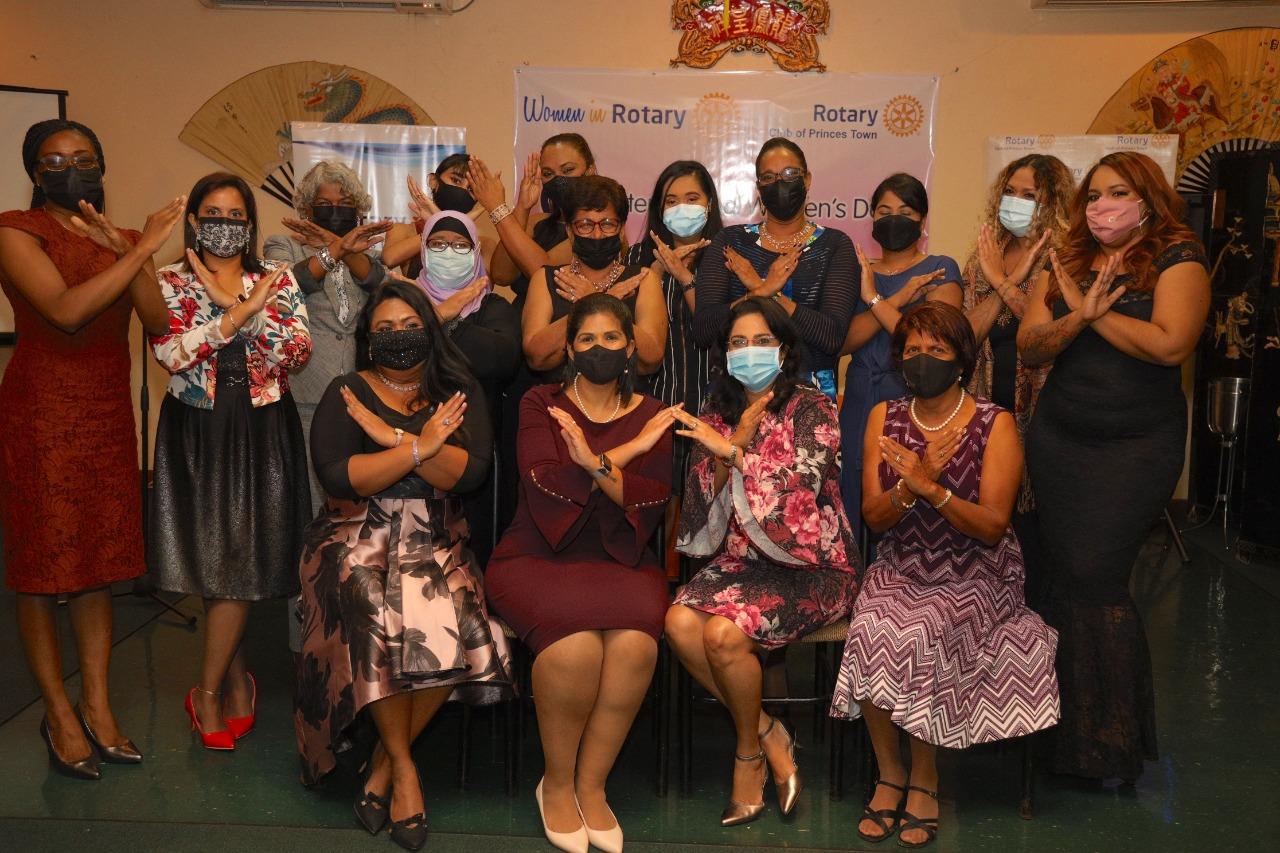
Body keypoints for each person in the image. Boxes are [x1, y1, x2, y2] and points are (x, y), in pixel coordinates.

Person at [831, 302, 1060, 848]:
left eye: (936, 349)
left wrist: (932, 488)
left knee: (924, 630)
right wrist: (908, 488)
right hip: (903, 562)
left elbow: (993, 526)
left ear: (961, 360)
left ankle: (925, 780)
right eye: (912, 349)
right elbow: (874, 517)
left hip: (977, 570)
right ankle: (890, 774)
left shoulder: (994, 423)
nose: (922, 359)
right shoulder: (884, 417)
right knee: (871, 627)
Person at [294, 280, 511, 852]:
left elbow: (470, 474)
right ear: (368, 338)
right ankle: (405, 769)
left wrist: (389, 440)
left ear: (431, 332)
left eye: (411, 327)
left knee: (462, 616)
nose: (399, 337)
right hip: (353, 532)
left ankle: (386, 766)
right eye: (385, 329)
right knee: (369, 602)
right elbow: (342, 477)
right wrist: (420, 447)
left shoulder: (458, 391)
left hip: (436, 534)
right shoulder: (347, 391)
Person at [0, 119, 184, 779]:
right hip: (41, 413)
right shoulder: (16, 230)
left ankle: (98, 705)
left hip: (106, 414)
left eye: (82, 157)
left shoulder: (122, 239)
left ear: (102, 165)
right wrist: (139, 251)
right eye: (52, 160)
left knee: (96, 563)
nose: (69, 168)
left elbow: (158, 321)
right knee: (42, 566)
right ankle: (57, 710)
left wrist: (126, 248)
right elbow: (66, 310)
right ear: (34, 171)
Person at [1019, 151, 1210, 783]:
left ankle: (1108, 741)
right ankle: (1052, 732)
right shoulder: (1068, 260)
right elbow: (1031, 345)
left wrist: (1095, 318)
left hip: (1135, 447)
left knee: (1096, 575)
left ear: (1148, 198)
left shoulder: (1178, 257)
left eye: (1118, 192)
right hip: (1060, 441)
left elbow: (1171, 344)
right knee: (1060, 574)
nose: (1103, 206)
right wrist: (1079, 313)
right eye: (1095, 195)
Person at [485, 294, 677, 853]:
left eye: (611, 338)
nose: (599, 349)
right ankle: (557, 784)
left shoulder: (654, 413)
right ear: (569, 350)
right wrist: (623, 456)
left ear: (630, 347)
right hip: (536, 554)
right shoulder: (540, 403)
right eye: (586, 339)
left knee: (635, 646)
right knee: (574, 651)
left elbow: (649, 497)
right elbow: (545, 482)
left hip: (621, 560)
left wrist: (594, 464)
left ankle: (592, 786)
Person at [666, 297, 859, 827]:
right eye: (737, 343)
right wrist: (725, 446)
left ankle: (747, 757)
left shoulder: (814, 408)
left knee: (722, 637)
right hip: (742, 565)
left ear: (784, 348)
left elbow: (800, 494)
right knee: (679, 623)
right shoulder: (716, 413)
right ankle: (770, 733)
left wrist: (734, 452)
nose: (748, 351)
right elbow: (700, 505)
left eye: (760, 341)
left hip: (815, 567)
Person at [149, 172, 313, 751]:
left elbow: (297, 351)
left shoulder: (276, 278)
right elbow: (171, 353)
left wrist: (247, 306)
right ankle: (223, 685)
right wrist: (233, 314)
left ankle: (212, 688)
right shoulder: (168, 280)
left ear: (249, 223)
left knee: (241, 555)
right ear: (194, 221)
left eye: (236, 216)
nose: (225, 225)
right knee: (217, 555)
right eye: (213, 214)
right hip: (198, 426)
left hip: (264, 423)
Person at [960, 154, 1074, 609]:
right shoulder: (985, 255)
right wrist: (995, 278)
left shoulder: (1066, 258)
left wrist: (1004, 283)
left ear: (1054, 202)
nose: (1016, 202)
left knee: (1035, 536)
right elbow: (962, 338)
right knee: (988, 525)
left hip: (1046, 414)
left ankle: (1036, 625)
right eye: (1010, 192)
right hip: (987, 410)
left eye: (1030, 195)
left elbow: (1052, 334)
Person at [840, 173, 963, 536]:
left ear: (922, 220)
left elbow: (930, 342)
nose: (894, 219)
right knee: (854, 498)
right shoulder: (860, 271)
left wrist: (873, 300)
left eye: (905, 212)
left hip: (915, 399)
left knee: (907, 494)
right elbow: (843, 343)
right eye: (884, 211)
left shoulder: (939, 268)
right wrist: (895, 299)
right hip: (860, 397)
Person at [693, 137, 857, 403]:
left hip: (810, 398)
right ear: (758, 187)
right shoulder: (730, 242)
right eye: (768, 177)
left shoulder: (835, 245)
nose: (780, 183)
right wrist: (760, 291)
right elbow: (703, 330)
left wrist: (766, 291)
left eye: (790, 173)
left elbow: (832, 337)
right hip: (735, 394)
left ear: (807, 180)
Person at [414, 209, 522, 564]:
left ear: (476, 252)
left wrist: (444, 322)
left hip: (476, 447)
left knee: (474, 552)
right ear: (423, 249)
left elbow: (501, 358)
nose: (449, 253)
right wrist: (438, 315)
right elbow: (385, 351)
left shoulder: (492, 305)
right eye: (438, 244)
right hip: (409, 442)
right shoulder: (402, 301)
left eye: (461, 245)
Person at [519, 175, 667, 382]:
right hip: (560, 397)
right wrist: (595, 303)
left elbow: (652, 359)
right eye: (585, 225)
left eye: (607, 224)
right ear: (570, 231)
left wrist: (599, 302)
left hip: (624, 398)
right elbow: (536, 357)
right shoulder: (546, 278)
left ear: (621, 230)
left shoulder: (643, 279)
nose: (597, 235)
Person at [628, 159, 721, 416]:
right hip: (649, 406)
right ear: (659, 209)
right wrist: (656, 271)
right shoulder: (635, 258)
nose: (682, 208)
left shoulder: (727, 258)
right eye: (671, 201)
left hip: (713, 407)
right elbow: (622, 325)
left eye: (692, 199)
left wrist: (683, 276)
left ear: (709, 204)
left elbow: (721, 331)